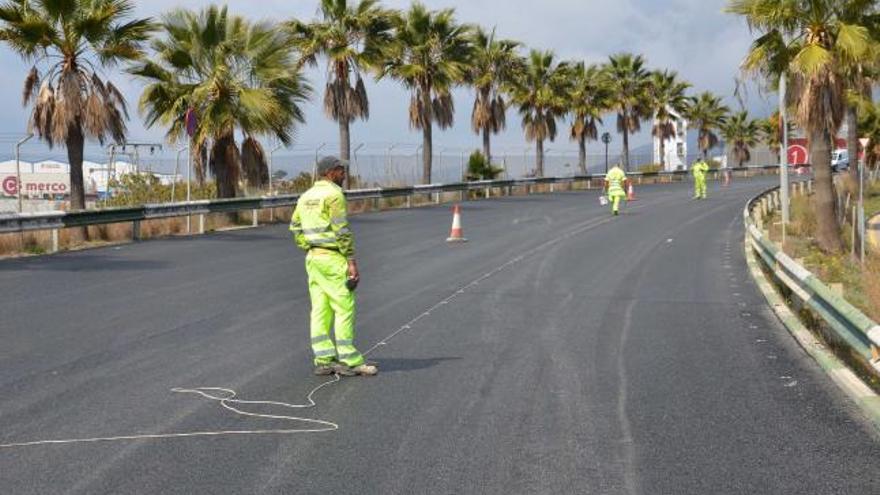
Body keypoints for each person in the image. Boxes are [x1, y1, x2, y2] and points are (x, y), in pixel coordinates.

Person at [290, 156, 378, 377]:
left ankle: (323, 359)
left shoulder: (306, 196)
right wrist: (351, 260)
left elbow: (295, 226)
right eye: (341, 170)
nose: (344, 174)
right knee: (343, 307)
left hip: (313, 258)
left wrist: (308, 246)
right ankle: (349, 360)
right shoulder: (334, 195)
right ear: (330, 172)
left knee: (320, 309)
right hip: (332, 258)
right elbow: (341, 231)